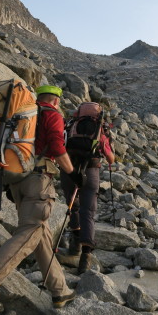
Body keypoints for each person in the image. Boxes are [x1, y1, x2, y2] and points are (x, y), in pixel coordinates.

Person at [0, 85, 76, 314]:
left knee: (40, 233)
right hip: (38, 181)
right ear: (56, 100)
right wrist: (73, 173)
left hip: (17, 180)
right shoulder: (52, 114)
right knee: (30, 231)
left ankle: (59, 290)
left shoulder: (21, 114)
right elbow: (56, 145)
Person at [60, 103, 115, 274]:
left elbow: (60, 145)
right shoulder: (100, 129)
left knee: (72, 205)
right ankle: (85, 258)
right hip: (91, 172)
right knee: (88, 212)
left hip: (69, 170)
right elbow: (111, 158)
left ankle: (75, 244)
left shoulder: (70, 125)